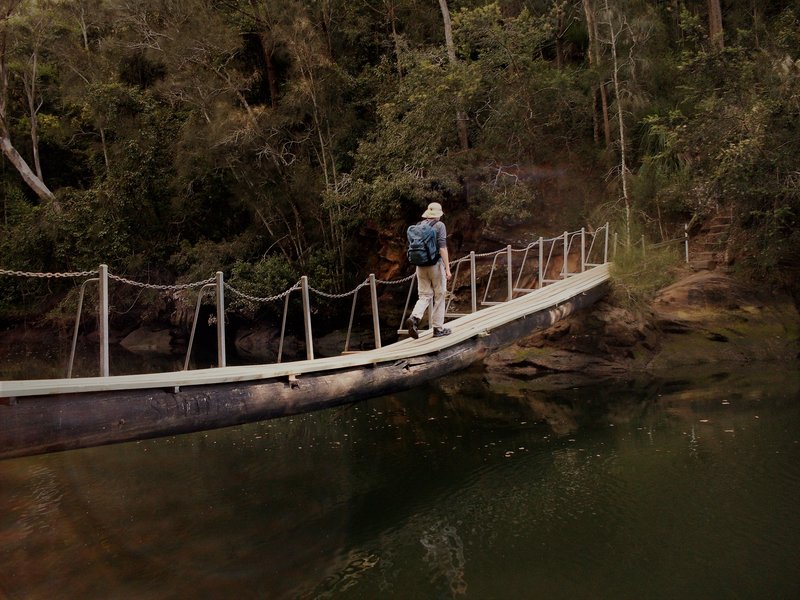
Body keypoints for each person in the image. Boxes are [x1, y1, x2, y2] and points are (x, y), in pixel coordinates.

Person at [406, 202, 452, 339]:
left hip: (420, 266)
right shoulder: (440, 225)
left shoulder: (419, 226)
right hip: (435, 266)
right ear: (439, 214)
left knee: (424, 295)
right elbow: (442, 248)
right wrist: (448, 269)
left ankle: (414, 318)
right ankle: (438, 329)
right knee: (440, 295)